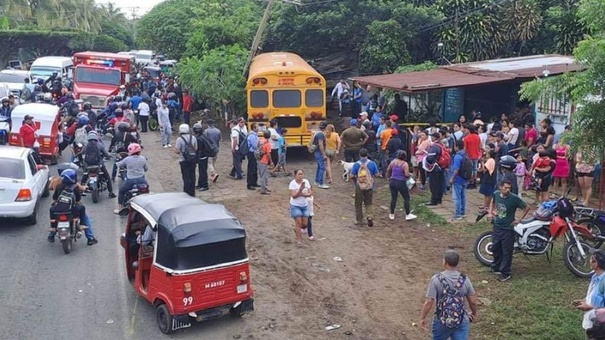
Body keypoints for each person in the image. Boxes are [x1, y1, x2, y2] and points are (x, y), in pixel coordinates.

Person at [420, 249, 478, 340]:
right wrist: (474, 313)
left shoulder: (436, 279)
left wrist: (422, 318)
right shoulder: (465, 279)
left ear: (445, 262)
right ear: (457, 263)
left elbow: (429, 302)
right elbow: (473, 301)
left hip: (442, 320)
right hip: (461, 319)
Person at [488, 179, 530, 282]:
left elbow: (527, 207)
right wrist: (491, 212)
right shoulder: (496, 194)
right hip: (497, 226)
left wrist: (519, 219)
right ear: (500, 187)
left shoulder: (514, 198)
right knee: (496, 248)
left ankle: (505, 272)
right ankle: (496, 267)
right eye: (505, 188)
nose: (507, 190)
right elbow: (492, 201)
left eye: (509, 188)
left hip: (508, 229)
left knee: (507, 251)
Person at [48, 168, 98, 245]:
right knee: (84, 213)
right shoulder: (75, 187)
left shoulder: (58, 186)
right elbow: (78, 199)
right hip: (71, 210)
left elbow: (54, 198)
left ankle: (52, 233)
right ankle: (89, 237)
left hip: (58, 210)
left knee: (53, 214)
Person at [574, 249, 605, 336]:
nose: (589, 261)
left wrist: (590, 307)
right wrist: (585, 301)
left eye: (591, 259)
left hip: (600, 330)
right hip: (591, 325)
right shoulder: (595, 277)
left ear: (596, 263)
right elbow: (593, 295)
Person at [114, 143, 148, 214]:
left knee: (121, 192)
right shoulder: (143, 158)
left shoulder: (127, 159)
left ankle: (121, 208)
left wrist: (117, 161)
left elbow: (119, 164)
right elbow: (146, 169)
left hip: (130, 181)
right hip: (141, 180)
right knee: (147, 191)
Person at [82, 131, 116, 198]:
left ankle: (80, 191)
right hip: (99, 165)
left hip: (88, 165)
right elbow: (105, 154)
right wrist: (109, 156)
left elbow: (82, 152)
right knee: (107, 177)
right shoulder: (99, 145)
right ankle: (111, 192)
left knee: (84, 177)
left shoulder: (86, 145)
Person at [351, 148, 380, 227]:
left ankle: (359, 220)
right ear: (367, 155)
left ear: (359, 155)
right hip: (369, 186)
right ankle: (369, 216)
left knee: (358, 203)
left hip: (359, 186)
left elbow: (352, 175)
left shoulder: (356, 164)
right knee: (368, 202)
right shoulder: (372, 163)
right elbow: (377, 174)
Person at [386, 150, 416, 221]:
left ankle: (392, 214)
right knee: (406, 198)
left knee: (394, 198)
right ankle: (407, 214)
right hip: (401, 182)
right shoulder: (405, 164)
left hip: (392, 181)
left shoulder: (393, 162)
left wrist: (388, 178)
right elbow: (406, 174)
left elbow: (388, 169)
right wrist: (410, 175)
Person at [289, 169, 312, 247]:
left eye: (302, 174)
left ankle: (296, 229)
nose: (300, 176)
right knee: (298, 223)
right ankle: (299, 240)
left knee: (304, 224)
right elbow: (294, 196)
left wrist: (304, 194)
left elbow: (310, 192)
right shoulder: (292, 184)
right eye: (299, 174)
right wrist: (300, 190)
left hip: (304, 205)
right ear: (295, 175)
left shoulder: (306, 182)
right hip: (295, 205)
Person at [175, 124, 197, 197]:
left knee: (185, 176)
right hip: (192, 159)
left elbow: (177, 151)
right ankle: (192, 191)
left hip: (183, 160)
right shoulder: (193, 137)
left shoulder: (179, 139)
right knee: (192, 175)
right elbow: (196, 148)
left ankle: (186, 192)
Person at [425, 133, 445, 206]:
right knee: (439, 183)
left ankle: (434, 200)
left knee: (434, 184)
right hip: (440, 166)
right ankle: (439, 199)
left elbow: (430, 158)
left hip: (434, 167)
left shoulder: (434, 147)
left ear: (434, 137)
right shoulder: (441, 144)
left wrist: (427, 159)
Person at [450, 140, 469, 220]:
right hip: (464, 178)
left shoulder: (457, 156)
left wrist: (452, 178)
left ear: (457, 147)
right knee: (463, 196)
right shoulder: (465, 154)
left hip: (457, 179)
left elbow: (456, 169)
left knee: (456, 197)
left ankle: (458, 214)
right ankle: (462, 212)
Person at [193, 123, 210, 191]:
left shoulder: (199, 139)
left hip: (202, 157)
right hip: (205, 156)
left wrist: (196, 158)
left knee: (202, 172)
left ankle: (205, 185)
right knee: (201, 171)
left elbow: (198, 150)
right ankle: (200, 184)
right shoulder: (203, 136)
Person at [312, 122, 329, 189]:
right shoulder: (321, 134)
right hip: (319, 152)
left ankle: (317, 180)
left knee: (319, 166)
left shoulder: (317, 133)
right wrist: (324, 154)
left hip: (317, 152)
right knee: (322, 167)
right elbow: (320, 144)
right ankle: (321, 183)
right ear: (325, 127)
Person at [257, 130, 273, 195]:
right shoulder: (268, 144)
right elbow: (268, 154)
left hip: (259, 159)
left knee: (262, 174)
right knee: (264, 176)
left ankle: (264, 187)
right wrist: (271, 162)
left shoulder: (260, 140)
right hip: (264, 160)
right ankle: (263, 189)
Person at [246, 123, 260, 190]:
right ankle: (250, 184)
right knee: (251, 168)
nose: (258, 128)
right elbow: (255, 145)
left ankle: (254, 182)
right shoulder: (252, 136)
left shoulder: (255, 135)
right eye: (257, 127)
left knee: (254, 168)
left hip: (254, 153)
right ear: (254, 128)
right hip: (251, 153)